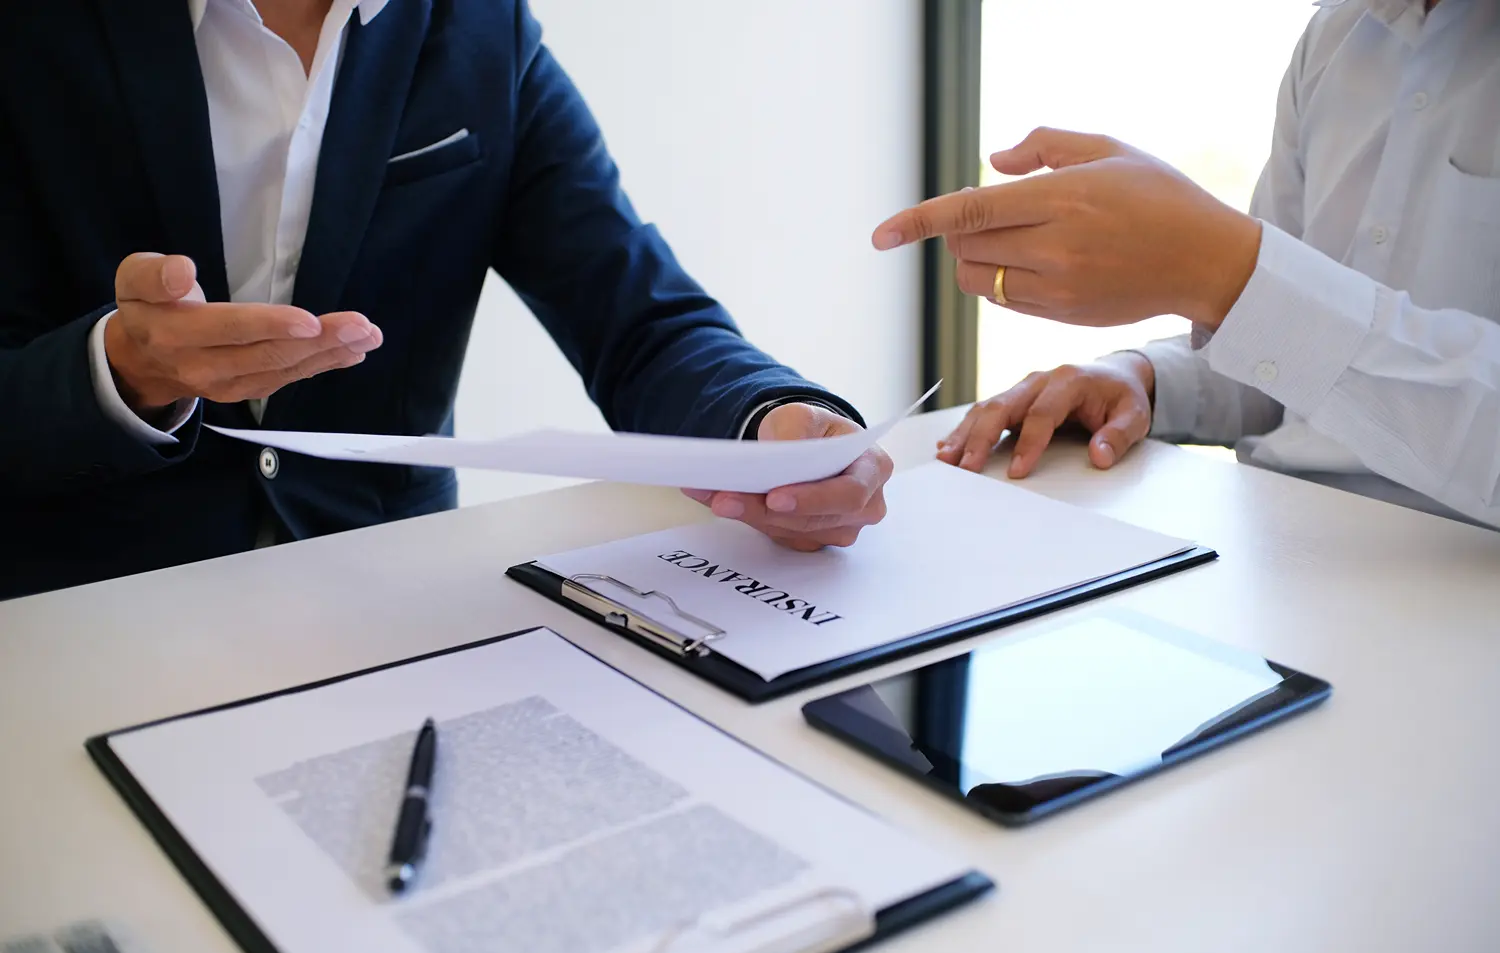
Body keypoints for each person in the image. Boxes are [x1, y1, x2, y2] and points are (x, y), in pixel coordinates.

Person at [0, 0, 891, 600]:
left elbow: (637, 314)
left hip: (395, 598)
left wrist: (771, 420)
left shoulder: (481, 27)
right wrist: (117, 374)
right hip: (86, 606)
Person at [872, 0, 1500, 530]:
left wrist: (1225, 273)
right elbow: (1289, 357)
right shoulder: (1338, 42)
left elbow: (1283, 315)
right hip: (1277, 544)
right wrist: (1144, 379)